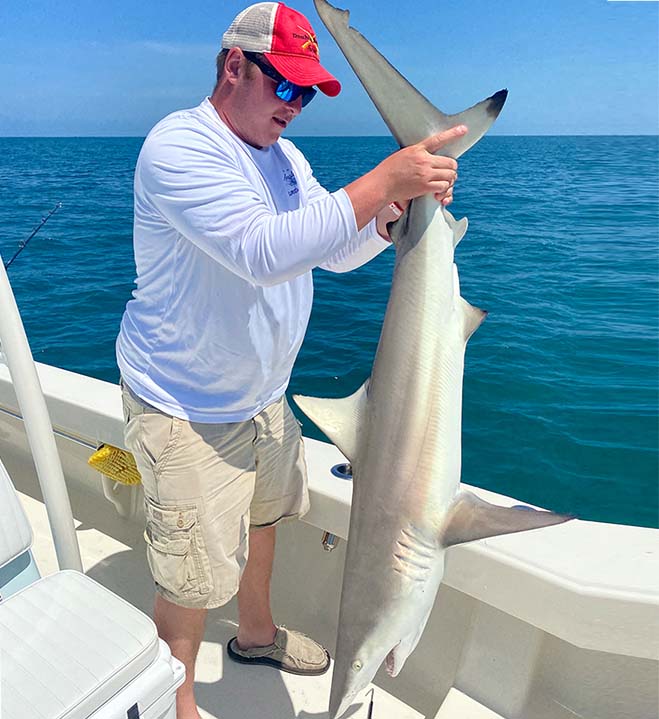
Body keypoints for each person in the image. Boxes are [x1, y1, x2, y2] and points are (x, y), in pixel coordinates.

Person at [116, 2, 465, 717]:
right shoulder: (178, 147)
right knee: (190, 578)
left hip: (261, 395)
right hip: (186, 408)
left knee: (267, 519)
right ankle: (177, 703)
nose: (296, 106)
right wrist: (382, 181)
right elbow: (262, 253)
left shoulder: (284, 158)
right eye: (286, 87)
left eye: (306, 94)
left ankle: (255, 633)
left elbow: (332, 251)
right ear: (234, 66)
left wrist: (392, 218)